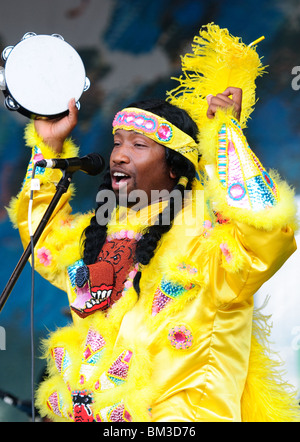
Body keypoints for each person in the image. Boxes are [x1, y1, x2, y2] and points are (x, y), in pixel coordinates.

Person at [8, 24, 299, 422]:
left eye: (139, 145)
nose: (120, 155)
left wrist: (223, 137)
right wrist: (49, 147)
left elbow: (267, 230)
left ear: (174, 167)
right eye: (117, 141)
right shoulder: (104, 230)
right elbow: (44, 241)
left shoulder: (208, 234)